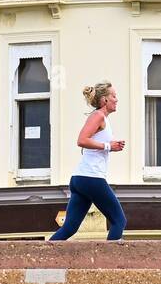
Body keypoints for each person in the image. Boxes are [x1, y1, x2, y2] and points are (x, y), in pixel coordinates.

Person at [49, 81, 127, 241]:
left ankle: (40, 260)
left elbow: (91, 144)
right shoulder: (98, 115)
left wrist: (111, 146)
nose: (116, 99)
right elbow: (81, 140)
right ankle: (108, 264)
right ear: (105, 100)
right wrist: (108, 146)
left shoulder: (104, 119)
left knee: (69, 228)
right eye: (114, 96)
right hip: (92, 178)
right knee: (119, 220)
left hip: (81, 179)